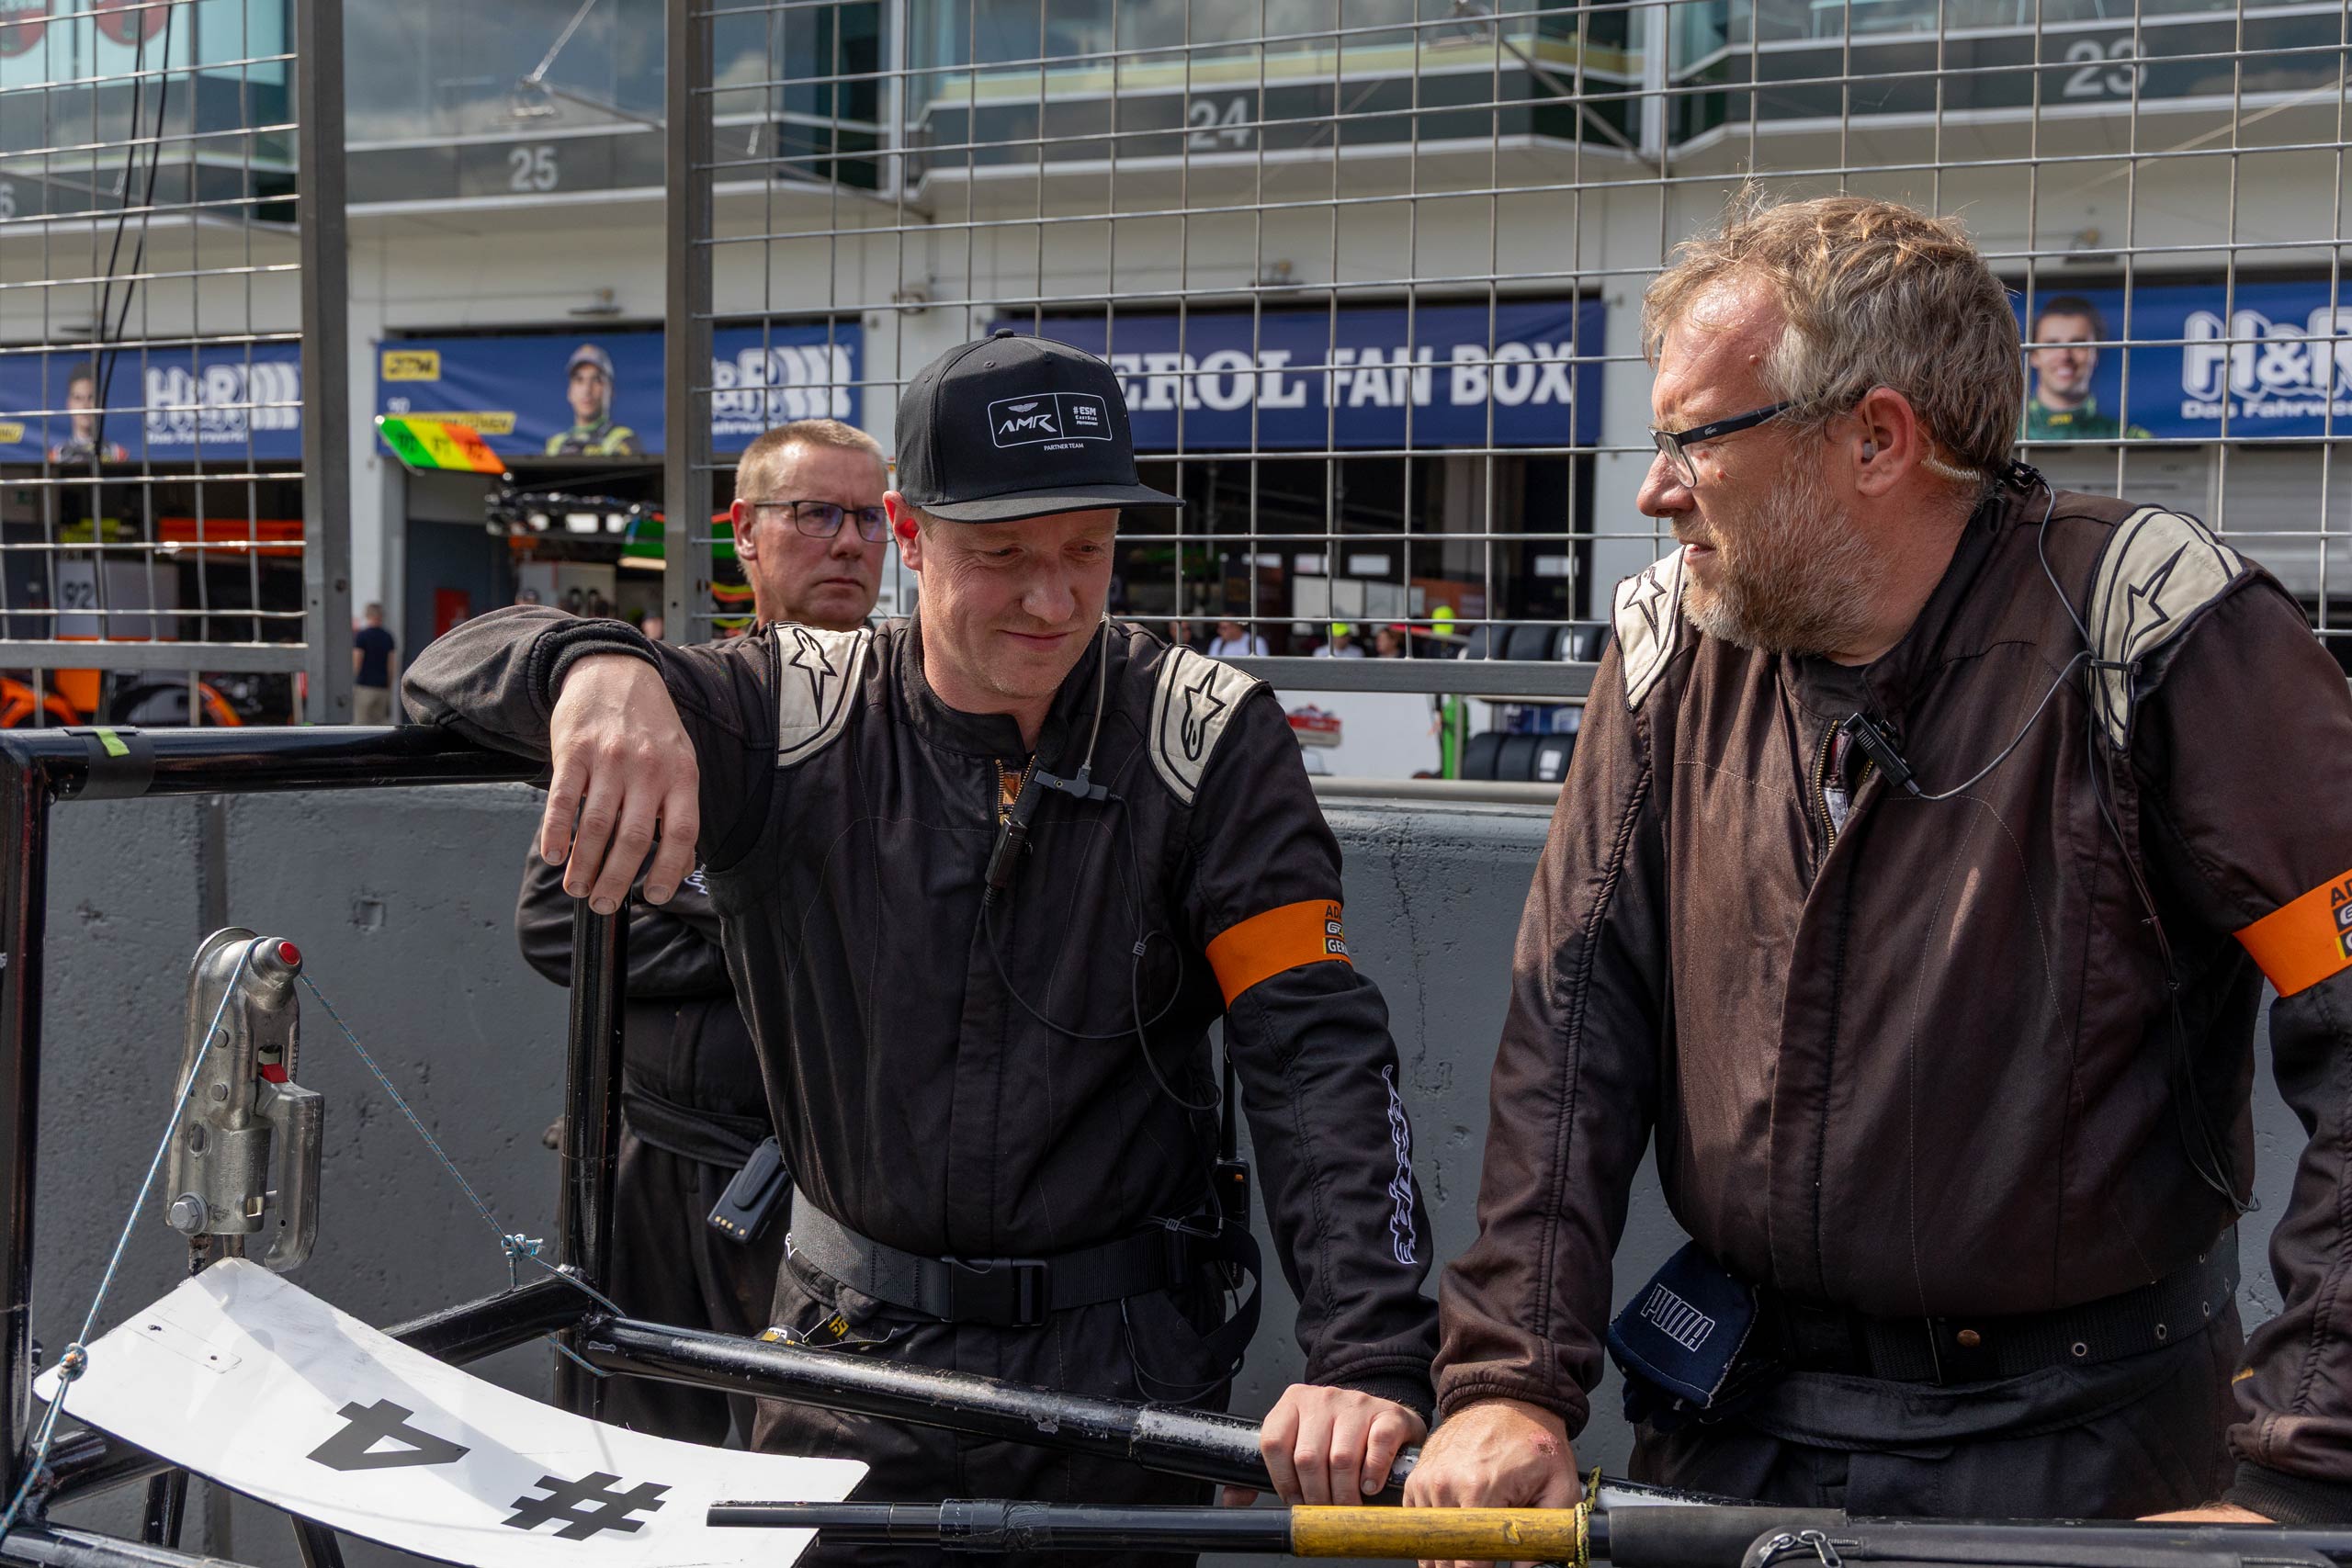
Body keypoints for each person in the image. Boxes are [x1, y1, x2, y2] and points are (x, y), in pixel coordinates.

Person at [1406, 194, 2352, 1538]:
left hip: (2080, 1464)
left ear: (1877, 437)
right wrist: (1508, 1376)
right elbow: (1575, 1029)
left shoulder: (2160, 624)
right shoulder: (1672, 641)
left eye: (1695, 438)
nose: (1653, 486)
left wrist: (2303, 1469)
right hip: (1730, 1431)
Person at [411, 329, 1438, 1563]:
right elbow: (449, 666)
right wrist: (594, 667)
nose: (1053, 599)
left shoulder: (1204, 734)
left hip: (1123, 1376)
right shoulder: (796, 708)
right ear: (906, 531)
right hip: (850, 1360)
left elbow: (1314, 1050)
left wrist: (1370, 1354)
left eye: (1087, 552)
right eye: (1003, 555)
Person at [514, 418, 888, 1444]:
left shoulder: (923, 721)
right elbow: (558, 925)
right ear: (746, 535)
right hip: (641, 1173)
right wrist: (778, 934)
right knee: (627, 1453)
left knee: (810, 1467)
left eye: (871, 517)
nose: (850, 542)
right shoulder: (668, 710)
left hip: (826, 1193)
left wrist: (676, 897)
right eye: (817, 513)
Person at [2023, 297, 2151, 443]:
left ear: (2095, 353)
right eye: (2052, 344)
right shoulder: (2003, 438)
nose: (2065, 356)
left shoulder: (2129, 439)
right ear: (2033, 354)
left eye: (2077, 344)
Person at [545, 344, 639, 457]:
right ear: (569, 392)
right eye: (579, 380)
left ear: (611, 391)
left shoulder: (622, 438)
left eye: (596, 380)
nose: (587, 390)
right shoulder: (555, 444)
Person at [46, 362, 129, 465]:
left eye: (91, 397)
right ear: (69, 404)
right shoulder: (56, 456)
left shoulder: (117, 454)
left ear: (100, 402)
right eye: (78, 398)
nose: (85, 406)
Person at [352, 603, 397, 726]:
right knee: (380, 726)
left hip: (364, 687)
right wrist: (389, 687)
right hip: (382, 688)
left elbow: (357, 662)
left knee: (360, 725)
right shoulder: (388, 637)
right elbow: (391, 666)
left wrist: (354, 682)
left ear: (367, 615)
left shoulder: (362, 636)